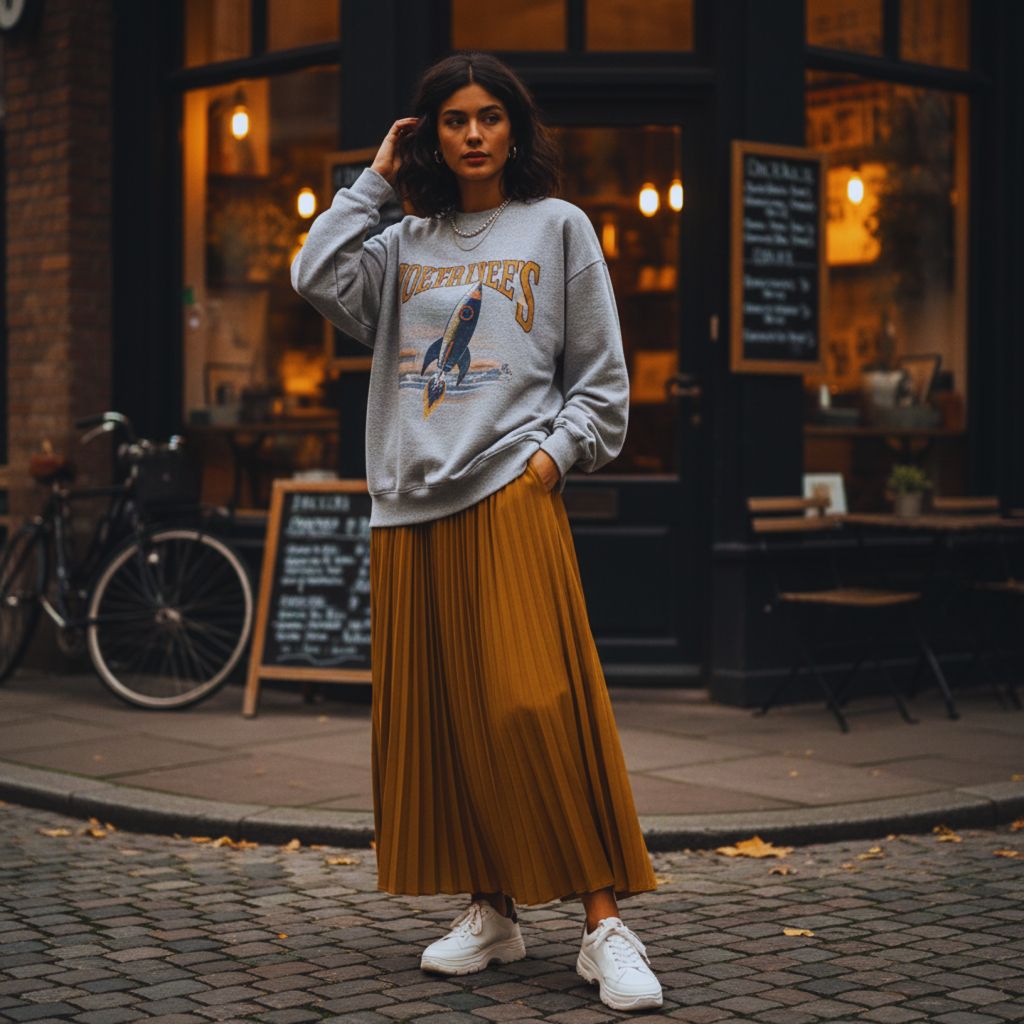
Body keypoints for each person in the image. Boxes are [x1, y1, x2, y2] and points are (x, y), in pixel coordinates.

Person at [291, 51, 663, 1012]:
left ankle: (603, 923)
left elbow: (604, 383)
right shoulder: (403, 243)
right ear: (429, 134)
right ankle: (491, 913)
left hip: (508, 492)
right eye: (452, 119)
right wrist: (373, 181)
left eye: (488, 117)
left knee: (537, 706)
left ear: (514, 129)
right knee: (447, 720)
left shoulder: (558, 227)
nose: (471, 134)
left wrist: (549, 462)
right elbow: (313, 272)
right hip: (410, 512)